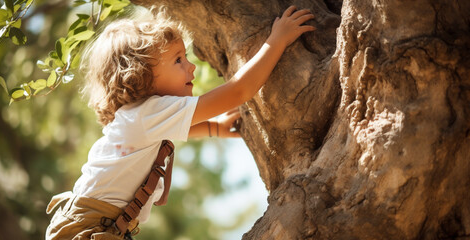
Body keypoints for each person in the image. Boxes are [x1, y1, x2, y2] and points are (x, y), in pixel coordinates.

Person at [45, 5, 315, 240]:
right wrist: (277, 40)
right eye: (178, 60)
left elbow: (168, 134)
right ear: (141, 76)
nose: (191, 67)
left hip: (101, 227)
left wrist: (214, 128)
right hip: (86, 229)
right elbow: (238, 91)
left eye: (185, 57)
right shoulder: (144, 115)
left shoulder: (142, 119)